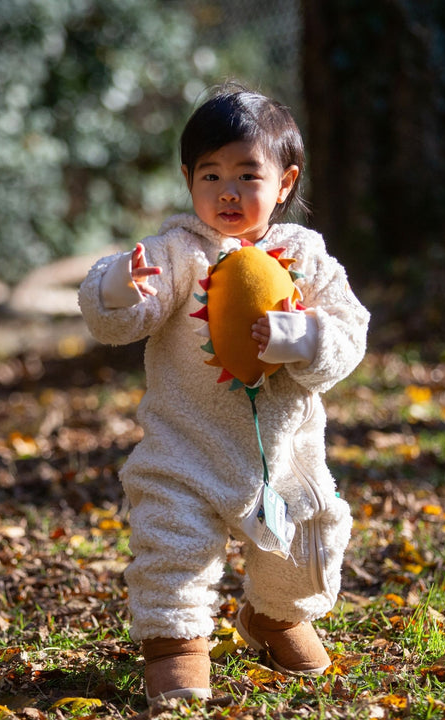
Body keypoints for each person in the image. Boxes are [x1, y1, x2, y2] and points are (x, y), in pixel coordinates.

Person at [78, 85, 370, 705]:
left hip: (284, 457)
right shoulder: (176, 254)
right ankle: (176, 647)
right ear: (188, 181)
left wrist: (300, 337)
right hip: (186, 449)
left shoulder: (305, 257)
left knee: (308, 547)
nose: (228, 191)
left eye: (246, 173)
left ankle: (275, 618)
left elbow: (349, 332)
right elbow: (119, 319)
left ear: (285, 182)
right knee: (172, 550)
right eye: (210, 174)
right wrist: (119, 289)